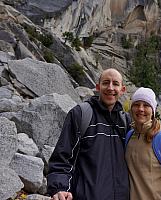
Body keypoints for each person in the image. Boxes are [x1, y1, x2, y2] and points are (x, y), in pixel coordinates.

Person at [47, 68, 130, 200]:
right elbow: (62, 157)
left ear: (122, 90)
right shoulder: (81, 114)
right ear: (97, 87)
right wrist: (60, 188)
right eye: (105, 83)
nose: (110, 88)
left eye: (115, 84)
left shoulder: (126, 122)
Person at [125, 87, 161, 200]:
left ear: (153, 111)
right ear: (131, 108)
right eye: (136, 104)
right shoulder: (129, 136)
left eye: (146, 105)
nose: (141, 109)